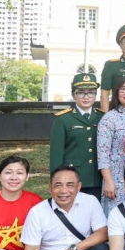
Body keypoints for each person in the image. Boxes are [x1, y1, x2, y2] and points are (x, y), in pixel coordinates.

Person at [51, 73, 104, 201]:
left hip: (98, 177)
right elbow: (56, 155)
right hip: (72, 178)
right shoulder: (63, 119)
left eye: (91, 92)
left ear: (96, 95)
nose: (86, 97)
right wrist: (56, 181)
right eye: (81, 92)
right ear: (73, 94)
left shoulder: (103, 117)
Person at [97, 75, 125, 214]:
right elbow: (102, 154)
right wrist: (109, 181)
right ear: (116, 92)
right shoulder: (109, 118)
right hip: (117, 178)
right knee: (118, 219)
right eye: (123, 89)